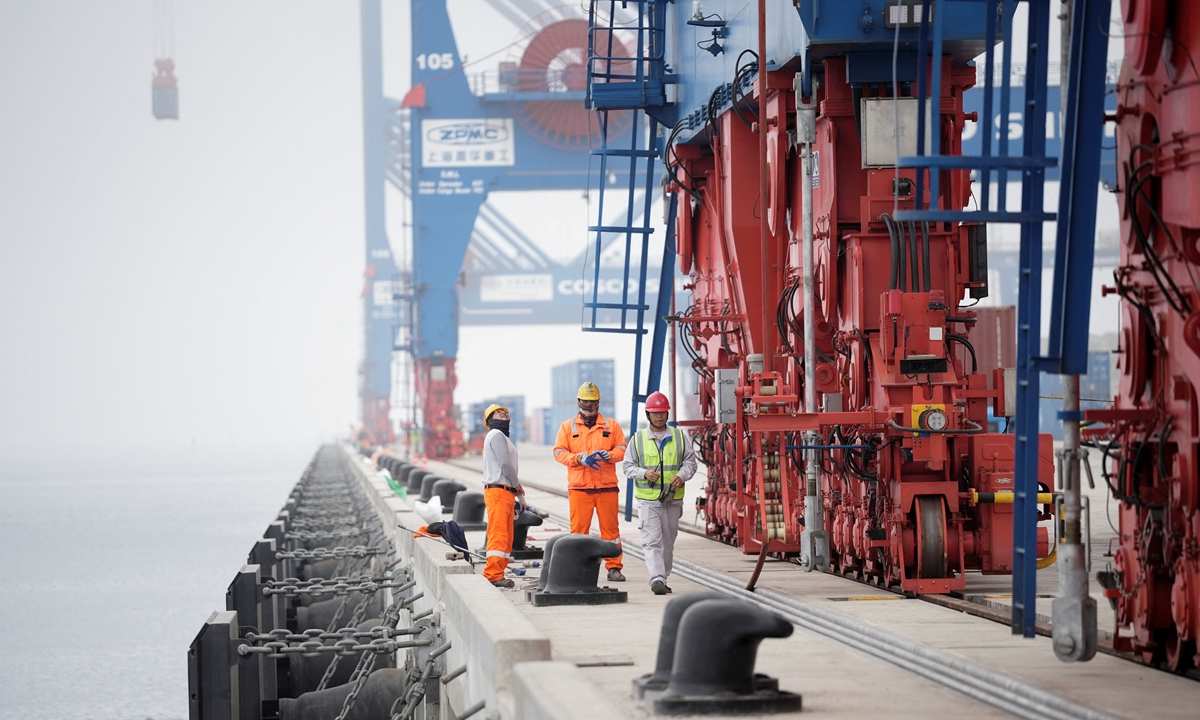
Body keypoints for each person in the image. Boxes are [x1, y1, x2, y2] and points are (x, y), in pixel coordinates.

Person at [553, 382, 628, 581]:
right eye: (585, 402)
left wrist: (609, 455)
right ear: (578, 402)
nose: (589, 406)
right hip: (580, 489)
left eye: (593, 402)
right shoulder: (567, 427)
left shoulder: (611, 426)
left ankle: (614, 568)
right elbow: (559, 453)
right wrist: (579, 459)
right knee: (578, 531)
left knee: (611, 532)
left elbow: (622, 449)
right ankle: (576, 567)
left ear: (599, 402)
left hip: (607, 488)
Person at [622, 392, 696, 594]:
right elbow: (627, 467)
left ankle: (663, 575)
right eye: (655, 413)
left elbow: (690, 462)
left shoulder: (680, 437)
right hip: (648, 500)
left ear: (667, 413)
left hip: (672, 499)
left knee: (668, 540)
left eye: (663, 412)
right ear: (648, 415)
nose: (660, 416)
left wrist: (682, 475)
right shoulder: (637, 440)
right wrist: (644, 473)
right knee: (652, 539)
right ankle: (657, 579)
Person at [481, 404, 526, 588]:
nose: (504, 414)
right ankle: (493, 574)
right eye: (499, 413)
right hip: (499, 491)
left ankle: (499, 571)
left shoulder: (502, 437)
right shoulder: (496, 435)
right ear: (490, 420)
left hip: (504, 491)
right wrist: (519, 489)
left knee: (506, 534)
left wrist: (515, 492)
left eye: (506, 412)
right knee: (499, 533)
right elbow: (506, 466)